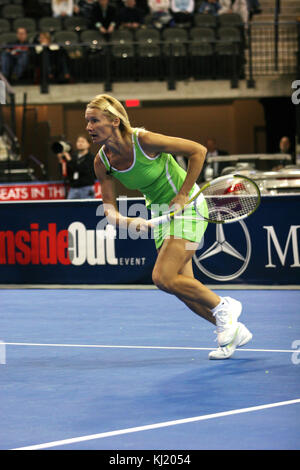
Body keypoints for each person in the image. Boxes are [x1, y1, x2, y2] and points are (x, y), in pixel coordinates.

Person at [86, 93, 252, 360]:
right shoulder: (101, 162)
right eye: (87, 122)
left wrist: (184, 193)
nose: (89, 127)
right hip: (161, 214)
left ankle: (225, 306)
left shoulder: (144, 140)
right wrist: (130, 222)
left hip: (188, 209)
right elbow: (109, 211)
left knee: (162, 277)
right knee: (181, 286)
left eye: (94, 121)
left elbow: (198, 151)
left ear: (115, 121)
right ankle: (235, 331)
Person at [57, 134, 96, 199]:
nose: (80, 143)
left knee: (87, 208)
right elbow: (65, 172)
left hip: (86, 188)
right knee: (69, 208)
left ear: (88, 144)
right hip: (73, 188)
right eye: (78, 141)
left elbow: (81, 169)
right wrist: (60, 160)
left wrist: (69, 159)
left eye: (82, 141)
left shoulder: (91, 158)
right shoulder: (73, 157)